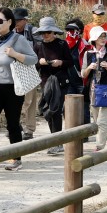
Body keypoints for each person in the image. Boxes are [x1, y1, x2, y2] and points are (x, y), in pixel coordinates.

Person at [0, 7, 37, 171]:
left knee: (12, 124)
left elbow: (34, 59)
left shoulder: (19, 40)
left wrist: (16, 54)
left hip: (13, 89)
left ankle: (16, 159)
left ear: (9, 22)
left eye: (0, 21)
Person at [33, 17, 72, 155]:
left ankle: (57, 142)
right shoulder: (38, 45)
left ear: (54, 32)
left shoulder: (62, 44)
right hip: (45, 81)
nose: (46, 35)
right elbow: (33, 64)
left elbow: (70, 62)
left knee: (55, 110)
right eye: (43, 32)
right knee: (47, 110)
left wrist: (60, 62)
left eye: (48, 32)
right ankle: (55, 139)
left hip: (60, 81)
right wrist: (40, 62)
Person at [81, 26, 107, 152]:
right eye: (100, 36)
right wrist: (89, 68)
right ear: (94, 39)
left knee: (101, 122)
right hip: (93, 91)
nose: (103, 39)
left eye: (104, 36)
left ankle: (100, 146)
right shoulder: (88, 54)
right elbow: (83, 74)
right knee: (97, 121)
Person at [13, 7, 39, 140]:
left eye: (18, 20)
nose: (16, 22)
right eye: (14, 19)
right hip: (13, 70)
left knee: (29, 101)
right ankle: (14, 126)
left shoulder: (33, 32)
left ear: (25, 20)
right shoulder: (9, 32)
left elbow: (39, 50)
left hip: (30, 69)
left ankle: (29, 129)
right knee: (14, 100)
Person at [65, 18, 91, 126]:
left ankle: (85, 132)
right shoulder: (64, 45)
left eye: (74, 29)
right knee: (69, 107)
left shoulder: (86, 46)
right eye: (68, 29)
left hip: (82, 81)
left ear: (79, 31)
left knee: (84, 106)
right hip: (68, 81)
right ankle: (71, 131)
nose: (71, 32)